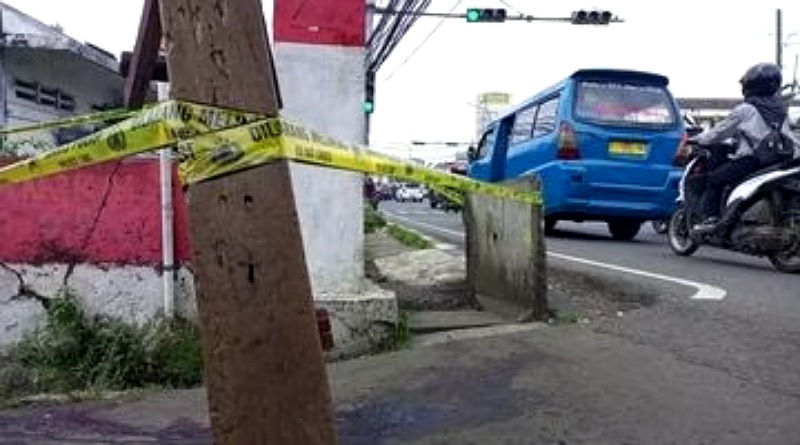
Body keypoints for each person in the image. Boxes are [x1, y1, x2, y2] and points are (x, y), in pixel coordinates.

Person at [691, 62, 799, 233]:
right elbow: (791, 137)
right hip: (779, 162)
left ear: (752, 84)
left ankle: (710, 219)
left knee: (715, 179)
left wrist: (697, 139)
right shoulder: (781, 110)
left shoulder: (746, 109)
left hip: (752, 161)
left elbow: (718, 133)